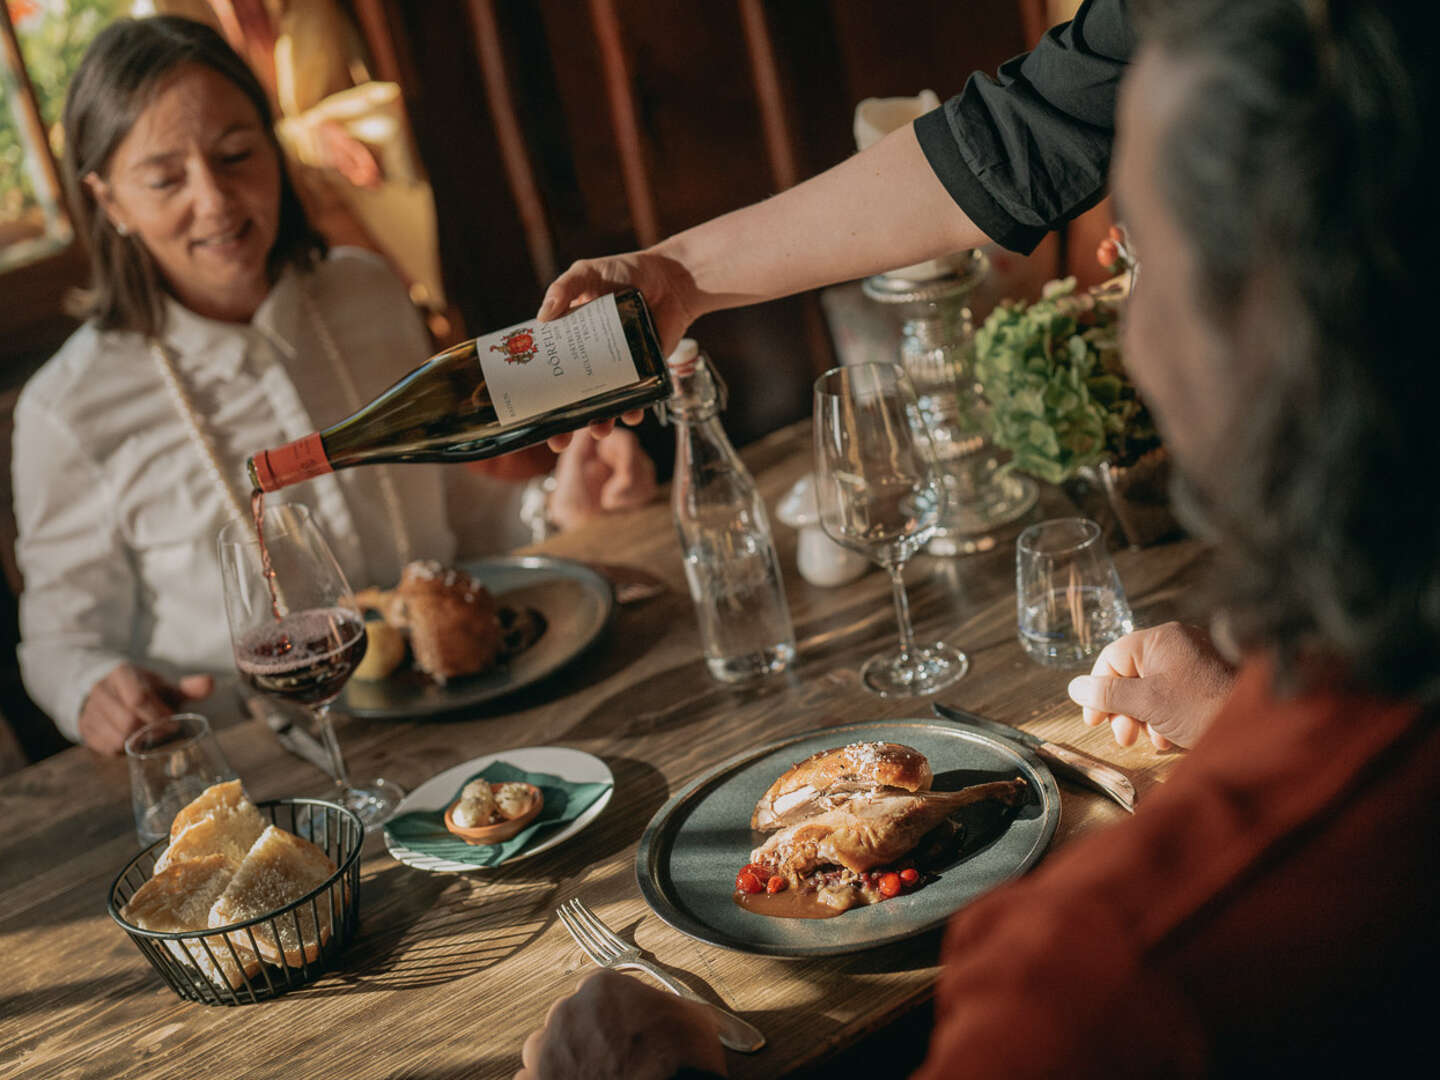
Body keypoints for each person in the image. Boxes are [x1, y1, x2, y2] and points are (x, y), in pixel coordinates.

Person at [519, 0, 1440, 1075]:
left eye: (1130, 255)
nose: (1124, 323)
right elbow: (1024, 129)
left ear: (1258, 336)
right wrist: (1248, 711)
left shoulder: (1101, 984)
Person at [11, 16, 654, 755]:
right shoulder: (66, 409)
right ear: (108, 202)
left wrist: (556, 509)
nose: (216, 201)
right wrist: (93, 688)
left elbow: (453, 517)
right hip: (254, 761)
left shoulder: (364, 291)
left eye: (236, 154)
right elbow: (61, 643)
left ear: (276, 150)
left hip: (461, 714)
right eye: (164, 179)